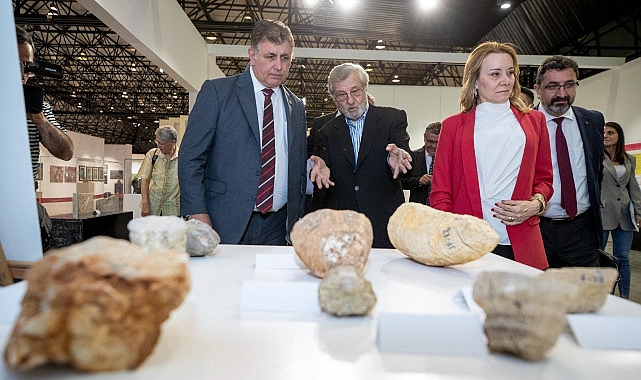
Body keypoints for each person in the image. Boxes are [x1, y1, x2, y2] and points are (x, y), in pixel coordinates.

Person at [178, 20, 330, 245]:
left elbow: (292, 160)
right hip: (223, 223)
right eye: (270, 56)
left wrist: (316, 163)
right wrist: (197, 213)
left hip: (279, 227)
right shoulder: (218, 93)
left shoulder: (295, 106)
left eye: (285, 57)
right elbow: (191, 158)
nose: (278, 66)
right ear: (252, 55)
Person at [430, 41, 553, 270]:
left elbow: (544, 179)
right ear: (475, 80)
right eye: (495, 74)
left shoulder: (535, 121)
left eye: (510, 73)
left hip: (522, 243)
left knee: (523, 306)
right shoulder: (453, 126)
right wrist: (447, 238)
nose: (505, 80)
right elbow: (441, 192)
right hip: (467, 243)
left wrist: (536, 205)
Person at [316, 63, 413, 248]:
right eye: (342, 95)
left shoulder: (392, 119)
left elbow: (406, 157)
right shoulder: (326, 132)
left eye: (356, 91)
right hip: (342, 228)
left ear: (365, 89)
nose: (350, 101)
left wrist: (399, 158)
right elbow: (323, 174)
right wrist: (322, 169)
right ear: (334, 98)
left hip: (384, 225)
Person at [533, 55, 605, 268]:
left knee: (584, 298)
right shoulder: (522, 125)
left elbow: (596, 170)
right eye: (553, 86)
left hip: (581, 231)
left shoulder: (593, 120)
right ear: (538, 89)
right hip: (536, 228)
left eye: (569, 85)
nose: (562, 94)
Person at [17, 26, 74, 176]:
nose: (23, 75)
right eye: (17, 66)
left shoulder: (38, 107)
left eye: (27, 67)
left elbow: (66, 153)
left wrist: (41, 121)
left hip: (23, 194)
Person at [601, 121, 641, 298]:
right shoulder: (595, 157)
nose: (606, 136)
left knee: (623, 257)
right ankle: (599, 294)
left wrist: (639, 212)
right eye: (604, 133)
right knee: (598, 255)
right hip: (602, 212)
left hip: (625, 215)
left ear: (619, 136)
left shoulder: (629, 159)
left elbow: (633, 189)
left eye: (610, 133)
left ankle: (624, 296)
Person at [137, 125, 180, 216]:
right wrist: (145, 204)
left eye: (162, 143)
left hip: (173, 210)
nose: (159, 146)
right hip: (152, 208)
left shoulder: (183, 158)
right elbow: (145, 180)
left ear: (173, 142)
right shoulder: (152, 154)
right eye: (157, 142)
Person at [401, 121, 441, 205]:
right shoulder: (412, 157)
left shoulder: (450, 160)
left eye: (437, 142)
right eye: (430, 141)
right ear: (424, 138)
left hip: (442, 211)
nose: (434, 146)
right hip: (418, 211)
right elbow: (401, 182)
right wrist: (418, 181)